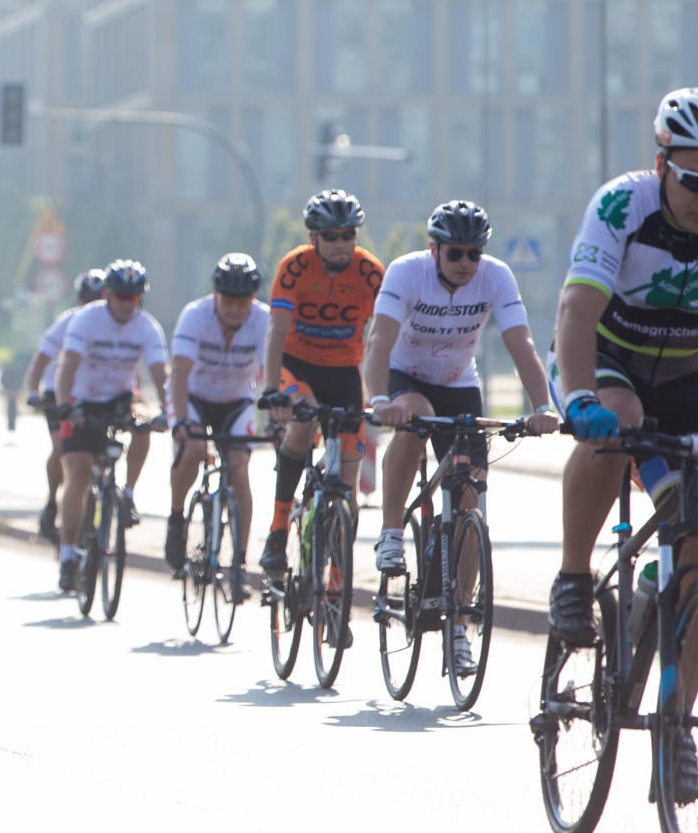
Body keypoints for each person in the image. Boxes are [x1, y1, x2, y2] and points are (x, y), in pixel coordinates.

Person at [365, 200, 557, 670]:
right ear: (434, 250)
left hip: (458, 383)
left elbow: (521, 345)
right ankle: (392, 531)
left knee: (470, 500)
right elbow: (378, 341)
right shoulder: (406, 273)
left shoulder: (496, 276)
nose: (466, 263)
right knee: (416, 416)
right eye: (456, 254)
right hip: (404, 380)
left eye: (474, 253)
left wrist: (543, 406)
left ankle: (458, 626)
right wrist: (378, 399)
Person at [548, 88, 698, 653]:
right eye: (693, 182)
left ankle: (676, 735)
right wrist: (580, 396)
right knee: (619, 417)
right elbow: (578, 309)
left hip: (684, 377)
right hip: (607, 359)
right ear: (661, 166)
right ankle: (574, 578)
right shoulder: (622, 205)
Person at [257, 190, 384, 577]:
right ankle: (278, 529)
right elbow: (276, 331)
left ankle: (337, 584)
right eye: (331, 236)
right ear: (313, 238)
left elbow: (386, 332)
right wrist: (270, 388)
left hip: (345, 371)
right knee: (303, 419)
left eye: (348, 234)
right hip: (298, 365)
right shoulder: (295, 267)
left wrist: (386, 390)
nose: (341, 243)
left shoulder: (370, 272)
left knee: (347, 487)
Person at [53, 260, 170, 592]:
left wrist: (171, 413)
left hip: (121, 396)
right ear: (107, 294)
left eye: (133, 299)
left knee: (144, 423)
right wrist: (66, 407)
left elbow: (162, 375)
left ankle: (128, 495)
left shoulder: (146, 326)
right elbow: (67, 366)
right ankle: (66, 556)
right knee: (77, 473)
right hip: (82, 400)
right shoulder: (86, 320)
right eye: (119, 296)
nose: (125, 304)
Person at [165, 253, 268, 582]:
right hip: (194, 396)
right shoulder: (195, 315)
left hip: (236, 400)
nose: (235, 309)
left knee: (238, 467)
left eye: (242, 302)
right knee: (193, 450)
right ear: (215, 296)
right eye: (228, 301)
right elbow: (179, 372)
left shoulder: (263, 319)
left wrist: (278, 417)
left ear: (253, 299)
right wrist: (181, 421)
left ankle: (238, 563)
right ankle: (177, 518)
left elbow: (271, 375)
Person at [23, 269, 106, 543]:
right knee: (61, 449)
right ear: (78, 300)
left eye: (100, 299)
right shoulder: (67, 321)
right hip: (58, 391)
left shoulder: (114, 323)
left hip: (94, 394)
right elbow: (41, 358)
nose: (93, 306)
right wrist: (33, 391)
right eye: (88, 300)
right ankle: (51, 502)